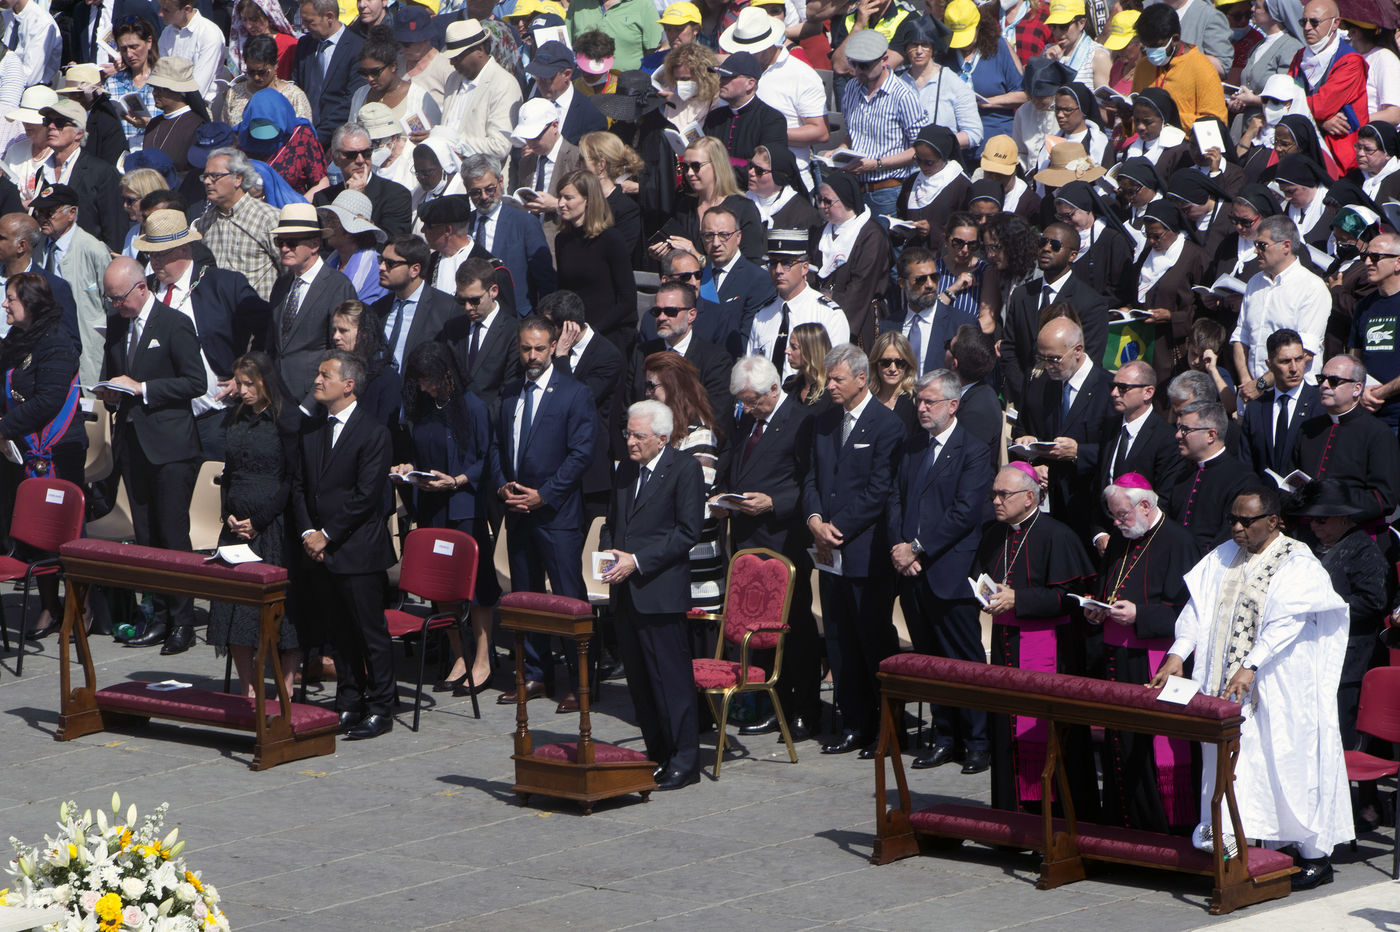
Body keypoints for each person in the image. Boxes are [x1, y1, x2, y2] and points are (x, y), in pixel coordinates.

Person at [1150, 486, 1351, 890]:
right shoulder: (1224, 555)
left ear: (1274, 521)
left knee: (1285, 764)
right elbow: (1197, 609)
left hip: (1278, 685)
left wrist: (1251, 664)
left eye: (1247, 521)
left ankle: (1314, 857)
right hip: (1225, 687)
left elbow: (1287, 622)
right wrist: (1177, 653)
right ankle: (1233, 847)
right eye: (1233, 520)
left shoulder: (1297, 561)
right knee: (1235, 769)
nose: (1238, 528)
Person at [973, 461, 1097, 815]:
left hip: (1048, 650)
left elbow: (1072, 598)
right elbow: (983, 576)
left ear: (1030, 497)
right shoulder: (994, 533)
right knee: (1008, 730)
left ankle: (1057, 817)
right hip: (1006, 645)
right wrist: (987, 596)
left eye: (1004, 494)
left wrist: (1019, 599)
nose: (996, 501)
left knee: (1049, 734)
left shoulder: (1058, 535)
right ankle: (1013, 815)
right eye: (994, 494)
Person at [889, 368, 996, 773]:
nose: (921, 407)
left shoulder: (972, 450)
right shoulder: (912, 446)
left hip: (950, 572)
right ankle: (945, 737)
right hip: (912, 572)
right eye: (919, 400)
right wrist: (900, 548)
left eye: (929, 401)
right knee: (931, 660)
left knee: (963, 661)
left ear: (952, 405)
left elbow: (964, 513)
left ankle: (978, 741)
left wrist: (917, 547)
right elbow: (896, 499)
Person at [98, 257, 205, 654]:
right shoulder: (117, 325)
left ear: (141, 288)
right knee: (145, 536)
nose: (116, 305)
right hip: (132, 443)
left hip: (170, 447)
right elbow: (115, 374)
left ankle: (183, 621)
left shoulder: (174, 323)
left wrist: (143, 389)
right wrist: (111, 394)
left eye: (120, 298)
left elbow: (195, 382)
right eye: (110, 299)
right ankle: (158, 615)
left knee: (172, 533)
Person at [803, 343, 904, 758]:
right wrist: (814, 520)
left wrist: (837, 528)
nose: (830, 386)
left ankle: (887, 726)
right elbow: (812, 477)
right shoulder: (825, 422)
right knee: (840, 640)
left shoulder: (887, 425)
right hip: (828, 555)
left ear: (862, 379)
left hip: (865, 553)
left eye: (837, 379)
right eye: (828, 378)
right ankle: (854, 722)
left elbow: (879, 490)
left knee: (871, 640)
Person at [489, 315, 595, 705]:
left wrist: (545, 495)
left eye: (538, 348)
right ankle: (535, 674)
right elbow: (497, 445)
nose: (532, 356)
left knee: (568, 596)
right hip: (518, 511)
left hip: (556, 515)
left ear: (553, 347)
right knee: (525, 595)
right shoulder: (510, 392)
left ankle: (581, 681)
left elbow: (581, 453)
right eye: (525, 349)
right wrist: (502, 484)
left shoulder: (574, 393)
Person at [293, 349, 397, 740]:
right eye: (318, 374)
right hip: (319, 551)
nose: (316, 381)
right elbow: (300, 486)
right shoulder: (312, 429)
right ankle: (349, 701)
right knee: (338, 633)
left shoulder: (373, 432)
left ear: (348, 385)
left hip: (357, 551)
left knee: (369, 632)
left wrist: (328, 534)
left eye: (325, 375)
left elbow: (365, 496)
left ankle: (381, 706)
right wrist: (308, 533)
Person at [1089, 473, 1202, 832]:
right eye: (1113, 516)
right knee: (1120, 746)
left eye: (1122, 515)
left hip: (1158, 662)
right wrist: (1097, 609)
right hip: (1117, 658)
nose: (1117, 523)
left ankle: (1163, 831)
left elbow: (1190, 613)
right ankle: (1123, 827)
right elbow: (1108, 587)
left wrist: (1140, 614)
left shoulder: (1179, 542)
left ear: (1145, 505)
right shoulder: (1123, 538)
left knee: (1156, 749)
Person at [599, 399, 703, 789]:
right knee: (640, 683)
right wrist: (608, 555)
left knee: (670, 681)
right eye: (628, 434)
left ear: (661, 438)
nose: (630, 442)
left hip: (659, 593)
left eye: (639, 436)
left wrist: (637, 561)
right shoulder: (626, 469)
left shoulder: (685, 469)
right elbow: (612, 522)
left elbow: (687, 532)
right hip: (626, 594)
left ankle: (685, 761)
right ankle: (657, 752)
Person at [720, 356, 820, 739]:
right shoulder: (747, 420)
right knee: (759, 628)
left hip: (783, 540)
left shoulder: (800, 421)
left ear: (774, 389)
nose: (748, 408)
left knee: (793, 628)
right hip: (748, 540)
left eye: (753, 401)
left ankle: (804, 710)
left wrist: (774, 502)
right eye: (743, 401)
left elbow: (808, 481)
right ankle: (774, 704)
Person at [393, 341, 498, 696]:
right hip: (433, 507)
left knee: (477, 586)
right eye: (420, 381)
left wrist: (457, 480)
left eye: (430, 380)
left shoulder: (473, 407)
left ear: (447, 374)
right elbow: (419, 452)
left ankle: (483, 659)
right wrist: (409, 469)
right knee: (443, 586)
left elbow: (487, 458)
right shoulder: (423, 409)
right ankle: (460, 655)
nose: (425, 387)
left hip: (464, 508)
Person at [136, 208, 271, 461]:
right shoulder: (145, 289)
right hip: (163, 420)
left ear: (184, 249)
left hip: (215, 414)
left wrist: (246, 374)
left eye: (161, 254)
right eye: (150, 255)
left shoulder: (223, 284)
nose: (155, 262)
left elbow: (267, 327)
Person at [208, 352, 302, 698]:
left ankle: (286, 688)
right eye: (240, 383)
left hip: (272, 527)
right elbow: (229, 471)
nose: (243, 390)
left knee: (281, 611)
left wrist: (260, 522)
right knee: (234, 609)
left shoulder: (286, 419)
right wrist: (228, 513)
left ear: (265, 381)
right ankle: (248, 688)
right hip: (236, 528)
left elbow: (291, 479)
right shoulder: (237, 416)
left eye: (250, 384)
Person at [0, 273, 86, 640]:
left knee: (64, 532)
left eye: (11, 299)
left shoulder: (56, 342)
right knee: (34, 531)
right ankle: (49, 606)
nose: (5, 304)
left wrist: (3, 427)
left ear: (31, 304)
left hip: (57, 449)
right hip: (23, 447)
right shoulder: (17, 339)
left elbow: (48, 400)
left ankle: (80, 608)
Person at [1287, 479, 1391, 752]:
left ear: (1343, 518)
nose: (1314, 526)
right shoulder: (1310, 546)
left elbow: (1374, 601)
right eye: (1311, 520)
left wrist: (1327, 607)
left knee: (1340, 733)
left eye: (1321, 520)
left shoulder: (1364, 550)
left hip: (1350, 658)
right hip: (1315, 652)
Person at [1014, 318, 1116, 542]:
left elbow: (1118, 450)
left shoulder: (1108, 389)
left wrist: (1079, 452)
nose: (1047, 366)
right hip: (1052, 505)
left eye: (1054, 359)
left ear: (1078, 350)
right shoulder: (1046, 384)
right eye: (1042, 358)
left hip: (1090, 507)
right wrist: (1032, 449)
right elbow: (1033, 428)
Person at [641, 351, 724, 610]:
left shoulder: (699, 434)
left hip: (696, 568)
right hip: (667, 560)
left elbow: (696, 502)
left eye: (652, 386)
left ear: (673, 386)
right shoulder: (663, 434)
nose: (647, 393)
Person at [1000, 221, 1110, 403]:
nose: (1046, 248)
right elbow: (1009, 348)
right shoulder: (1022, 294)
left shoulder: (1091, 303)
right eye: (1042, 242)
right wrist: (1025, 390)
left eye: (1055, 245)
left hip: (1064, 398)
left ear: (1073, 255)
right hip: (1022, 398)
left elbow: (1089, 357)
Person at [538, 289, 624, 517]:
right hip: (552, 465)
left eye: (549, 326)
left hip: (590, 472)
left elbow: (577, 400)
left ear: (569, 326)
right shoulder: (545, 350)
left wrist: (562, 357)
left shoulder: (607, 356)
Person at [1089, 359, 1187, 552]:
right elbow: (1099, 484)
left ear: (1148, 392)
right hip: (1107, 539)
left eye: (1123, 388)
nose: (1114, 393)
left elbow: (1164, 498)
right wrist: (1099, 533)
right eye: (1113, 386)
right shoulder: (1109, 428)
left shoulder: (1165, 438)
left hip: (1143, 542)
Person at [1288, 354, 1400, 522]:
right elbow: (1291, 479)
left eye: (1334, 381)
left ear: (1357, 388)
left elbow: (1384, 498)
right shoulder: (1307, 429)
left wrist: (1337, 512)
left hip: (1355, 528)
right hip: (1309, 528)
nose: (1324, 385)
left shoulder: (1378, 433)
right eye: (1321, 379)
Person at [266, 203, 359, 406]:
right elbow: (273, 344)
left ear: (315, 244)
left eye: (292, 243)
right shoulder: (282, 284)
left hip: (315, 401)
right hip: (278, 399)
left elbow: (342, 353)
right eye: (279, 241)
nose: (284, 248)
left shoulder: (337, 286)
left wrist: (310, 406)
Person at [1232, 216, 1329, 398]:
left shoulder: (1312, 287)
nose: (1256, 251)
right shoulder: (1254, 283)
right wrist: (1247, 382)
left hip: (1293, 394)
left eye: (1262, 245)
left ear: (1286, 246)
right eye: (1255, 245)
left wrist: (1260, 384)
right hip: (1253, 393)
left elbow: (1306, 351)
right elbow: (1241, 336)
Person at [28, 185, 109, 390]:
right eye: (39, 212)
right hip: (45, 344)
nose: (42, 218)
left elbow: (111, 302)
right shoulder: (37, 248)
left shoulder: (93, 249)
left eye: (49, 213)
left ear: (71, 213)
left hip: (85, 346)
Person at [552, 169, 638, 358]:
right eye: (560, 197)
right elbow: (564, 291)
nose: (561, 203)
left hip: (608, 335)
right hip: (573, 335)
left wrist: (593, 331)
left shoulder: (610, 239)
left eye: (568, 198)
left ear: (588, 200)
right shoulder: (562, 240)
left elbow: (627, 299)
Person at [837, 30, 922, 219]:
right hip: (856, 188)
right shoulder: (851, 88)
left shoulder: (903, 95)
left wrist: (876, 164)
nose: (857, 70)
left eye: (864, 65)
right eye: (853, 63)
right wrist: (840, 150)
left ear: (884, 60)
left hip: (889, 190)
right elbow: (853, 133)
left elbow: (919, 149)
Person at [746, 228, 847, 382]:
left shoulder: (828, 314)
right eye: (773, 263)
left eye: (786, 263)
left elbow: (836, 373)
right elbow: (752, 369)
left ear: (804, 268)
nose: (778, 270)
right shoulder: (762, 316)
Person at [651, 136, 766, 264]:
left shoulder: (744, 208)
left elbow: (751, 263)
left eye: (696, 166)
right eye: (685, 167)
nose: (689, 173)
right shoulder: (684, 207)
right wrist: (666, 254)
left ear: (717, 165)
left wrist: (697, 256)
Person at [811, 173, 891, 350]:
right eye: (820, 200)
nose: (822, 206)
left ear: (846, 200)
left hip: (859, 317)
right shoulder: (820, 233)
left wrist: (832, 306)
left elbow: (862, 285)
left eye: (828, 201)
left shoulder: (871, 235)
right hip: (821, 314)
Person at [1287, 0, 1368, 173]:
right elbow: (1284, 98)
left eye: (1314, 22)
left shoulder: (1350, 61)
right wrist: (1320, 121)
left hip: (1339, 156)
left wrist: (1295, 106)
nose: (1307, 27)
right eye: (1303, 21)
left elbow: (1321, 106)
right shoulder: (1299, 56)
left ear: (1335, 23)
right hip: (1302, 148)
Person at [1168, 400, 1259, 553]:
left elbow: (1228, 537)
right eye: (1179, 428)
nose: (1177, 435)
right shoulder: (1182, 474)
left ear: (1211, 435)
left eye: (1185, 430)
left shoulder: (1242, 479)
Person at [38, 100, 126, 253]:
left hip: (87, 258)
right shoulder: (42, 171)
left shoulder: (102, 172)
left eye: (59, 123)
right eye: (47, 121)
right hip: (49, 255)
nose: (51, 126)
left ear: (78, 133)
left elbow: (115, 228)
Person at [194, 147, 281, 301]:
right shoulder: (204, 223)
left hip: (258, 311)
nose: (207, 182)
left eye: (215, 176)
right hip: (219, 311)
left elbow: (289, 271)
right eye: (205, 176)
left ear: (238, 179)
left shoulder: (268, 218)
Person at [443, 258, 523, 420]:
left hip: (492, 424)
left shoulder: (514, 331)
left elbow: (510, 388)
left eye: (474, 300)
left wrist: (481, 421)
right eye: (461, 300)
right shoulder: (453, 328)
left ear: (493, 291)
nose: (467, 307)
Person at [439, 19, 521, 166]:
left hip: (481, 174)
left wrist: (450, 141)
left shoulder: (504, 84)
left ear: (479, 50)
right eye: (451, 58)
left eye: (458, 57)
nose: (452, 63)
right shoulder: (453, 79)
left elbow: (500, 146)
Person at [1130, 3, 1228, 127]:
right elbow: (1137, 124)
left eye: (1156, 46)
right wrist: (1127, 119)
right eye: (1147, 47)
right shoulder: (1143, 66)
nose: (1151, 52)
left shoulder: (1202, 68)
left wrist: (1168, 118)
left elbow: (1216, 124)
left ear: (1175, 39)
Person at [944, 0, 1027, 145]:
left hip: (996, 138)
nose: (963, 44)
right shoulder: (943, 53)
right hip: (956, 140)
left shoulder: (999, 47)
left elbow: (1023, 95)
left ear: (978, 26)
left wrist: (989, 103)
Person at [372, 233, 459, 372]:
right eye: (381, 260)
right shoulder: (378, 309)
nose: (381, 267)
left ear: (415, 270)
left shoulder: (446, 309)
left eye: (390, 263)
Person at [1238, 328, 1318, 476]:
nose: (1294, 368)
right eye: (1285, 361)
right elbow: (1246, 466)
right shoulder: (1256, 409)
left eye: (1299, 359)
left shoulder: (1320, 404)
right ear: (1270, 365)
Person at [313, 122, 414, 239]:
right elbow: (324, 243)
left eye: (366, 153)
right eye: (351, 155)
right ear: (335, 159)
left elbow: (394, 243)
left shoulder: (396, 194)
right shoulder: (322, 199)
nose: (360, 160)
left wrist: (355, 200)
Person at [899, 17, 983, 154]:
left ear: (933, 48)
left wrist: (939, 144)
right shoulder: (898, 83)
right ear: (906, 48)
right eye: (914, 45)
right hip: (904, 163)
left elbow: (974, 133)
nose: (919, 51)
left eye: (925, 45)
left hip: (942, 162)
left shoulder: (953, 83)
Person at [702, 50, 789, 182]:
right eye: (721, 76)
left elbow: (766, 168)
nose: (721, 81)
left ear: (750, 83)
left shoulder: (772, 119)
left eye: (728, 77)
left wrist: (716, 168)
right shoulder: (714, 117)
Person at [291, 0, 367, 147]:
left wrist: (318, 138)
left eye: (309, 21)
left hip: (336, 139)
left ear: (329, 17)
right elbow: (296, 89)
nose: (304, 27)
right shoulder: (305, 45)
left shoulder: (358, 48)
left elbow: (350, 100)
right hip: (302, 134)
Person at [510, 98, 583, 250]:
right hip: (526, 245)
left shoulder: (577, 159)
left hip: (563, 245)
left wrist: (556, 205)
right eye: (527, 138)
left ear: (554, 126)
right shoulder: (526, 162)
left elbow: (591, 207)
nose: (530, 143)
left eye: (536, 137)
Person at [236, 87, 327, 197]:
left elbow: (321, 182)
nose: (265, 139)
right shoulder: (241, 138)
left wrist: (300, 203)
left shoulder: (301, 135)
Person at [895, 127, 971, 255]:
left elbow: (967, 227)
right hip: (913, 257)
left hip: (945, 257)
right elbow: (903, 215)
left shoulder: (961, 185)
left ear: (943, 157)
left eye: (929, 163)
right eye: (918, 160)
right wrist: (898, 230)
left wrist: (932, 231)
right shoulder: (912, 181)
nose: (922, 166)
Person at [1351, 231, 1400, 428]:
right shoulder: (1364, 306)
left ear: (1398, 262)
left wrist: (1380, 393)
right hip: (1367, 415)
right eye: (1365, 256)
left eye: (1375, 257)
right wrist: (1359, 389)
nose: (1367, 262)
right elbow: (1354, 357)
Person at [348, 27, 443, 127]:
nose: (370, 78)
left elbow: (433, 134)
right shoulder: (360, 95)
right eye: (364, 73)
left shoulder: (418, 97)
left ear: (393, 66)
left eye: (375, 72)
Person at [328, 299, 402, 428]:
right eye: (334, 330)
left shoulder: (386, 379)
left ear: (364, 333)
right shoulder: (331, 372)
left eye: (343, 330)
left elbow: (384, 430)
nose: (336, 337)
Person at [526, 40, 608, 145]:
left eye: (547, 78)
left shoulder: (591, 116)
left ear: (567, 74)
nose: (540, 83)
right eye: (537, 76)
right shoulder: (532, 102)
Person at [577, 131, 643, 256]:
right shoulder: (581, 200)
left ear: (601, 165)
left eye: (582, 160)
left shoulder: (625, 208)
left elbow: (619, 255)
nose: (577, 165)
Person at [320, 189, 389, 304]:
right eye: (327, 220)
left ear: (351, 231)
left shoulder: (376, 267)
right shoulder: (331, 262)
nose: (327, 226)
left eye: (333, 221)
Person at [105, 16, 163, 149]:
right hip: (123, 151)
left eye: (134, 47)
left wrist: (149, 125)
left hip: (156, 150)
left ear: (149, 42)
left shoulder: (163, 80)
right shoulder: (113, 83)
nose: (129, 54)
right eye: (123, 49)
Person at [155, 0, 223, 102]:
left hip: (198, 106)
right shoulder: (167, 32)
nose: (160, 14)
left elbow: (198, 87)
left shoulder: (209, 33)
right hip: (167, 101)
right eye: (160, 8)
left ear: (187, 9)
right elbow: (160, 74)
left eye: (166, 10)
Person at [744, 144, 821, 231]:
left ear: (778, 176)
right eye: (751, 166)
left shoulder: (803, 214)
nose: (751, 172)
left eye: (759, 170)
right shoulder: (740, 203)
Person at [867, 331, 919, 437]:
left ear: (908, 365)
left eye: (900, 363)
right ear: (875, 364)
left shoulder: (916, 402)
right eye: (886, 363)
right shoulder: (866, 399)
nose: (893, 369)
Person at [231, 0, 299, 78]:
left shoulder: (289, 45)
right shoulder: (239, 47)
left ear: (268, 15)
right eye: (244, 20)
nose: (248, 26)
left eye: (254, 19)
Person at [784, 321, 831, 408]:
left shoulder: (831, 392)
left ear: (811, 351)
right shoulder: (790, 386)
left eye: (794, 347)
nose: (787, 351)